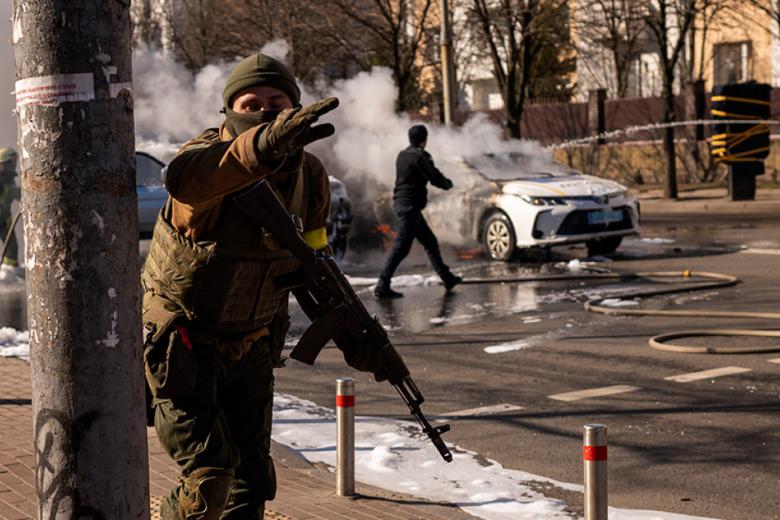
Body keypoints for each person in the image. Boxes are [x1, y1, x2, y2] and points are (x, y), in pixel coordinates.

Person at [141, 54, 383, 520]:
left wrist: (354, 334)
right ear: (229, 110)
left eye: (277, 102)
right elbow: (186, 182)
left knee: (252, 483)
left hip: (251, 343)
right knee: (209, 484)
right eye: (251, 104)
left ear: (295, 107)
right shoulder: (204, 161)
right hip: (184, 347)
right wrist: (259, 148)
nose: (266, 112)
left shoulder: (310, 176)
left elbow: (315, 261)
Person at [375, 124, 462, 298]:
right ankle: (382, 285)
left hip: (403, 205)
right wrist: (449, 184)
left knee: (430, 242)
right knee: (401, 248)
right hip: (410, 208)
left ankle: (447, 278)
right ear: (424, 139)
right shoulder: (421, 156)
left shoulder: (402, 155)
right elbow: (435, 177)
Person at [0, 148, 20, 267]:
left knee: (11, 247)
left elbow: (15, 194)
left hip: (4, 220)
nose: (14, 163)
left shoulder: (10, 180)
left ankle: (10, 270)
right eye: (12, 160)